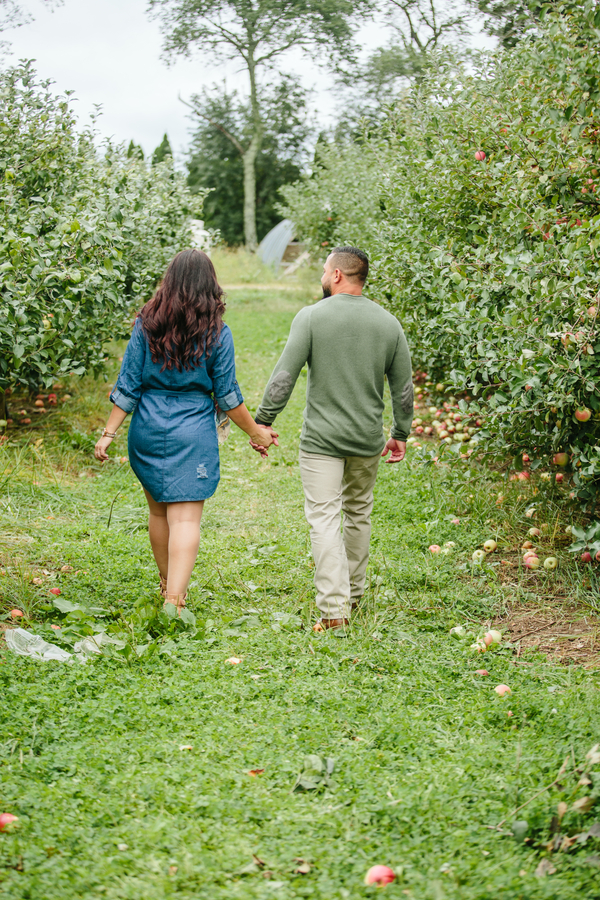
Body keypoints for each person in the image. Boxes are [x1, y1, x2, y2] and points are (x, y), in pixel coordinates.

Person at [94, 249, 277, 610]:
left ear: (169, 281)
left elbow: (129, 382)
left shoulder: (146, 324)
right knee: (186, 518)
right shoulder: (217, 333)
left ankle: (167, 587)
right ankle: (175, 600)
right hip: (192, 429)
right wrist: (256, 432)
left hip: (147, 427)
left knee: (159, 512)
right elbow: (227, 395)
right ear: (211, 286)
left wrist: (108, 433)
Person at [253, 246, 413, 631]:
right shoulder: (389, 323)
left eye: (325, 271)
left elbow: (283, 377)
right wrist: (400, 433)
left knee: (324, 518)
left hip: (321, 442)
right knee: (358, 514)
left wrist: (263, 421)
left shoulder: (311, 318)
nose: (322, 277)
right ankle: (354, 595)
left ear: (338, 275)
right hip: (366, 440)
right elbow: (403, 388)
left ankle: (334, 609)